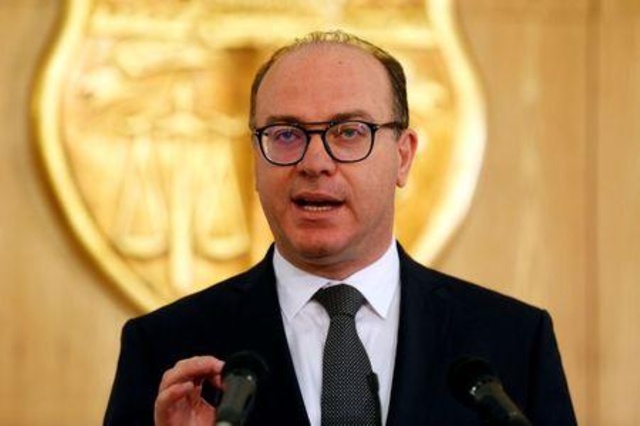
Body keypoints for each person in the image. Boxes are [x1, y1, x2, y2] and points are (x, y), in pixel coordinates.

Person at [104, 30, 577, 426]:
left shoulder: (513, 343)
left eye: (348, 132)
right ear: (255, 160)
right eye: (285, 135)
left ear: (403, 156)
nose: (314, 162)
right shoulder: (167, 350)